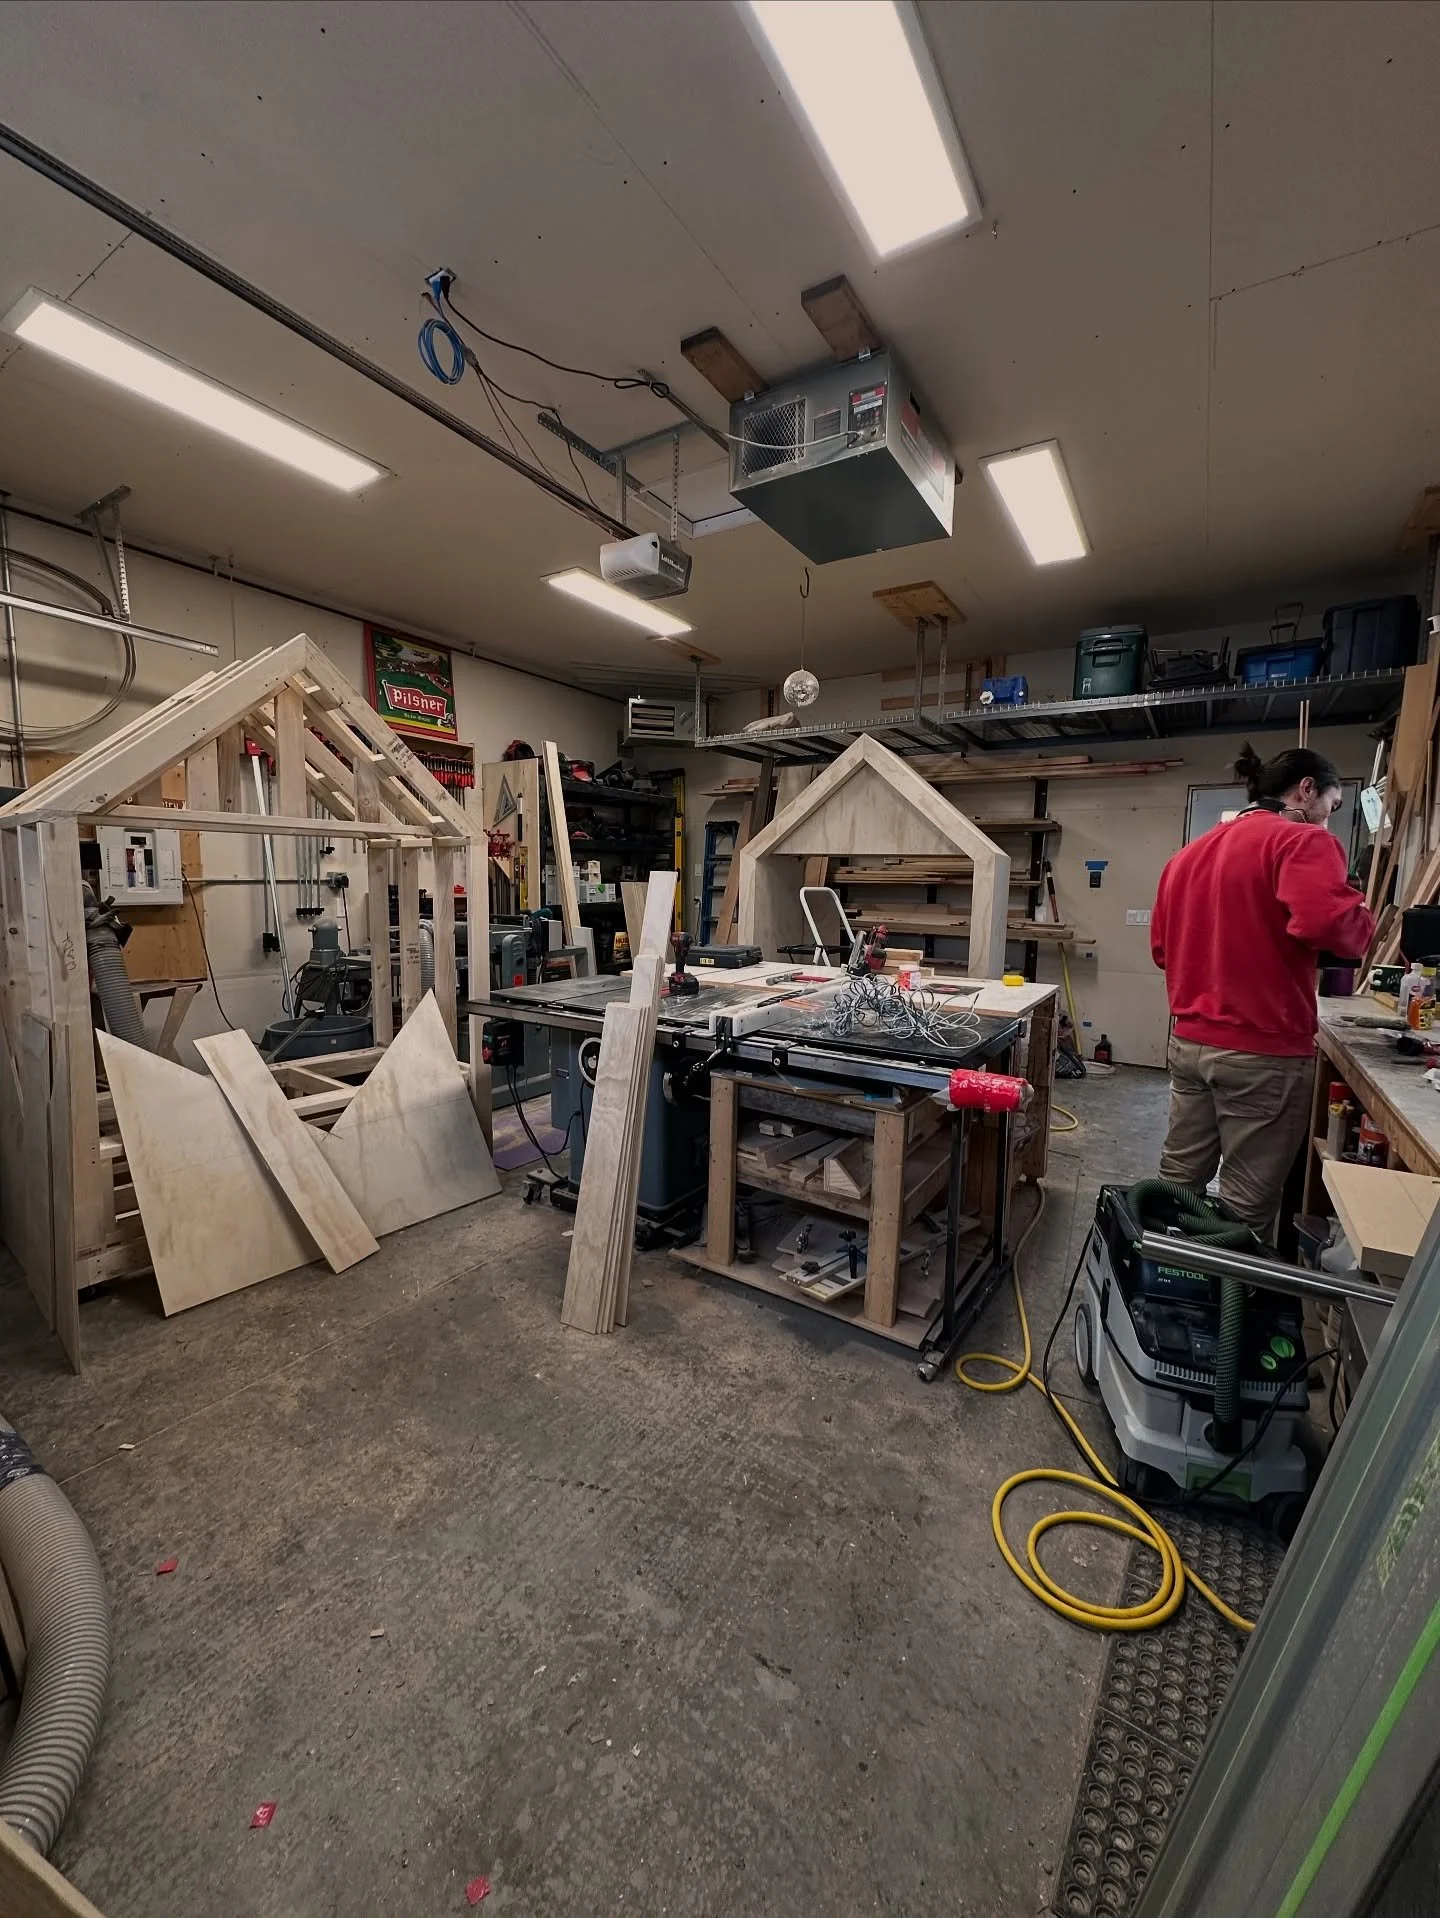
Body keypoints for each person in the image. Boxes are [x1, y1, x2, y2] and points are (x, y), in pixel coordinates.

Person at [1150, 742, 1374, 1235]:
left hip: (1190, 1044)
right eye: (1331, 809)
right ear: (1306, 790)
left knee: (1177, 1185)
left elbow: (1163, 951)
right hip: (1264, 1050)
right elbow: (1329, 928)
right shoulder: (1302, 842)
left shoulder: (1187, 856)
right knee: (1245, 1207)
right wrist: (1362, 916)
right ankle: (1228, 1301)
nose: (1327, 822)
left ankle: (1165, 1284)